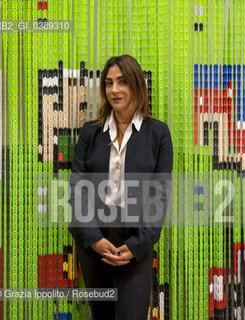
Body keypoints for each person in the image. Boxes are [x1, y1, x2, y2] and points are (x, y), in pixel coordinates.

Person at [68, 54, 173, 320]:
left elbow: (159, 196)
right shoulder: (90, 132)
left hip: (135, 240)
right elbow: (77, 189)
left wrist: (137, 245)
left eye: (122, 82)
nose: (114, 90)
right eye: (109, 83)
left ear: (136, 84)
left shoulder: (158, 133)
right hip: (94, 240)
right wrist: (93, 239)